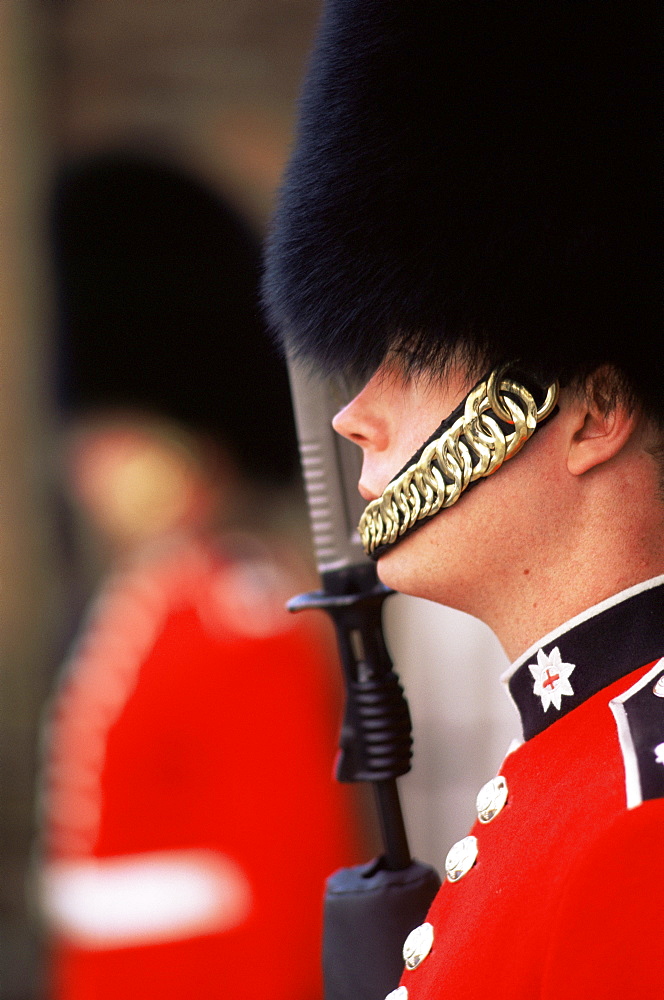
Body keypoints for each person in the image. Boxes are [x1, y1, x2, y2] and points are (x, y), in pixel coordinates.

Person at [263, 3, 663, 998]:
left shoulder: (639, 814)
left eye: (416, 355)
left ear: (592, 411)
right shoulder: (575, 770)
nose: (354, 413)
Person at [39, 153, 364, 1000]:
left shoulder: (242, 611)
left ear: (191, 444)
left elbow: (294, 877)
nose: (88, 466)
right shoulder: (148, 599)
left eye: (120, 434)